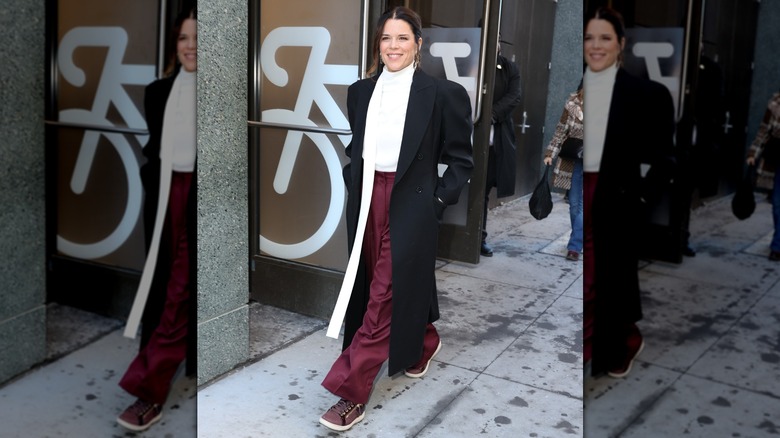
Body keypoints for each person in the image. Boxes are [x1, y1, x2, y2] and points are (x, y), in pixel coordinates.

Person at [319, 6, 473, 432]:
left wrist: (437, 203)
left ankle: (352, 392)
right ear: (378, 45)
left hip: (413, 203)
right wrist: (356, 179)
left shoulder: (441, 94)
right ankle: (423, 339)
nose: (393, 46)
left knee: (384, 294)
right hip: (369, 198)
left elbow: (462, 161)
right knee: (379, 281)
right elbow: (358, 146)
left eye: (402, 38)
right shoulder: (361, 92)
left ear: (418, 44)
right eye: (386, 39)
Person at [116, 5, 197, 432]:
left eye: (199, 37)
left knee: (179, 291)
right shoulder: (158, 91)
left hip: (197, 200)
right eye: (184, 37)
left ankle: (150, 390)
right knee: (164, 287)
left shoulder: (214, 94)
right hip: (166, 197)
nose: (191, 46)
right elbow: (154, 149)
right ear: (175, 44)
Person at [582, 7, 675, 378]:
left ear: (621, 44)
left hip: (616, 199)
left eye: (605, 37)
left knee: (610, 280)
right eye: (589, 37)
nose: (596, 45)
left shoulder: (647, 95)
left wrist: (639, 202)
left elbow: (665, 162)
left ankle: (622, 340)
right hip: (583, 189)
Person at [481, 35, 522, 257]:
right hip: (464, 141)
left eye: (497, 38)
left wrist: (490, 114)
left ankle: (479, 237)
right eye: (490, 36)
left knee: (483, 192)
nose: (493, 42)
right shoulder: (467, 61)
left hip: (493, 145)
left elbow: (514, 96)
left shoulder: (508, 68)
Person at [544, 86, 583, 261]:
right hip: (574, 159)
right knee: (574, 203)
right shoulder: (572, 105)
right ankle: (579, 240)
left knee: (584, 205)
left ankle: (574, 246)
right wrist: (550, 154)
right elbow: (561, 130)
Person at [746, 91, 780, 261]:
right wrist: (753, 153)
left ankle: (777, 245)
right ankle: (778, 244)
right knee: (777, 204)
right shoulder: (776, 102)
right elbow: (764, 130)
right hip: (776, 158)